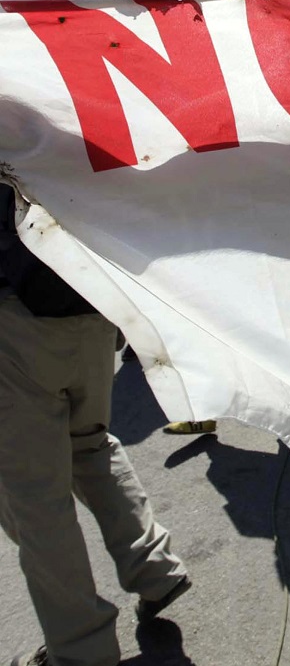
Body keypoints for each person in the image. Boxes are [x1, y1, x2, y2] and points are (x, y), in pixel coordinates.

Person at [0, 183, 191, 666]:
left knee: (35, 501)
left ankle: (82, 649)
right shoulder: (41, 112)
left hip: (11, 319)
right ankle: (154, 568)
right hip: (86, 296)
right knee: (89, 443)